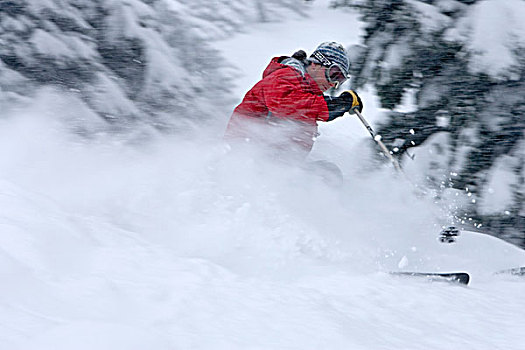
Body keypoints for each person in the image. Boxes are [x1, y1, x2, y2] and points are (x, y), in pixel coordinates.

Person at [224, 41, 363, 160]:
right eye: (334, 74)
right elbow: (287, 105)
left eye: (340, 80)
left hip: (274, 163)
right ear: (316, 63)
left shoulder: (306, 92)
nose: (333, 84)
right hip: (247, 155)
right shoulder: (286, 75)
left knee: (327, 176)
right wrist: (339, 104)